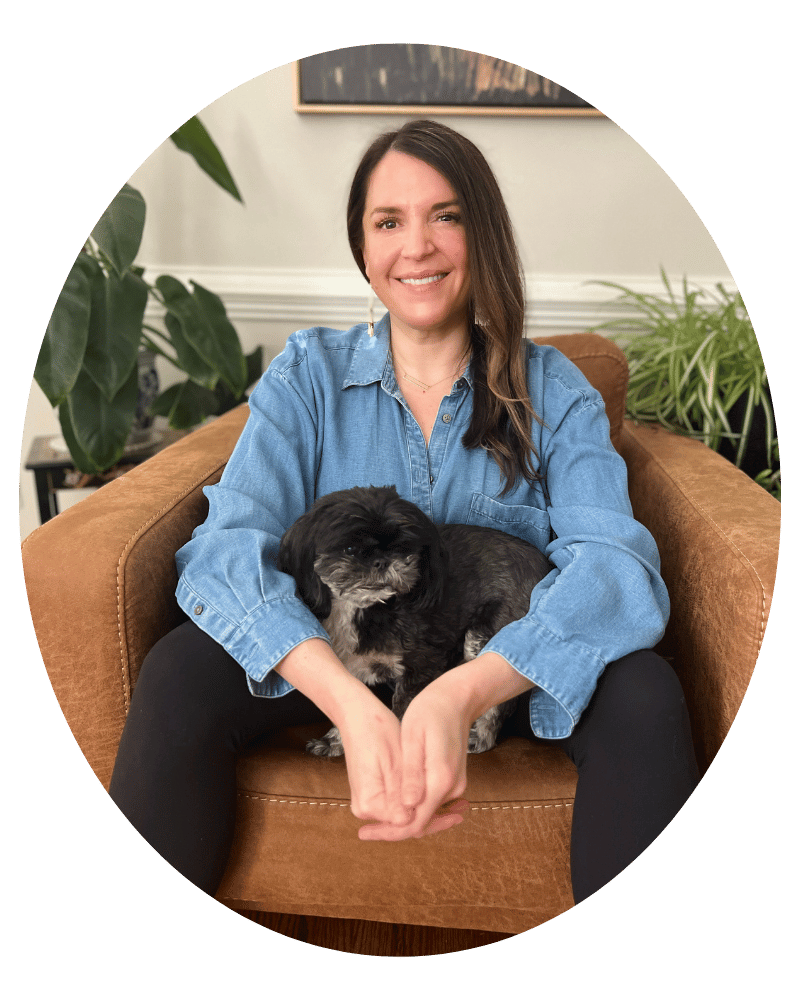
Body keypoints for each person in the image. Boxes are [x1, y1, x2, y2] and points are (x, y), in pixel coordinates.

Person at [109, 119, 700, 905]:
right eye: (389, 221)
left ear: (481, 233)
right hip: (336, 660)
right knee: (179, 671)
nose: (415, 247)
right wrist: (352, 704)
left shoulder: (555, 391)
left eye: (445, 216)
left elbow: (616, 568)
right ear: (363, 247)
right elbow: (226, 549)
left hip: (507, 667)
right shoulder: (307, 378)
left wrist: (459, 693)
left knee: (648, 694)